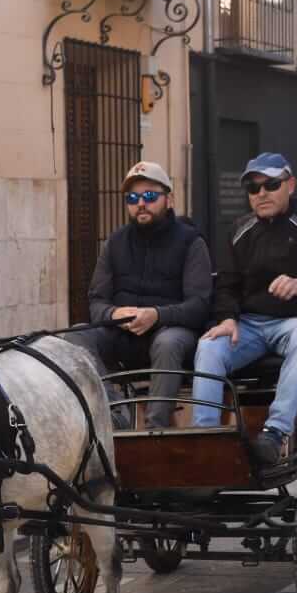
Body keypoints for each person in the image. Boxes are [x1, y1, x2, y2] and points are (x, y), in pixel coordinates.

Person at [191, 152, 297, 465]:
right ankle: (205, 437)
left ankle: (275, 432)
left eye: (271, 185)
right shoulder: (239, 229)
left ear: (290, 185)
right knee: (208, 345)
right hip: (248, 325)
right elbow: (226, 284)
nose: (261, 193)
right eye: (253, 188)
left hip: (296, 321)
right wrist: (227, 318)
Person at [68, 160, 213, 429]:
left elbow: (199, 306)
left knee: (168, 342)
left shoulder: (191, 242)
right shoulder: (115, 242)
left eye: (149, 196)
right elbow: (96, 301)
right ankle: (114, 416)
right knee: (75, 336)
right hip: (122, 334)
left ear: (169, 199)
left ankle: (155, 429)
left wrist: (156, 315)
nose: (141, 204)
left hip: (171, 332)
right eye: (133, 198)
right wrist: (113, 313)